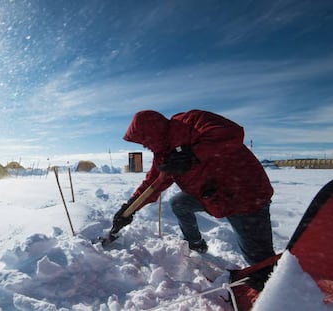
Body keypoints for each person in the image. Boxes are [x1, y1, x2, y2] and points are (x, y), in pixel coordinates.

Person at [112, 110, 276, 277]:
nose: (144, 146)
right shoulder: (163, 153)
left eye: (144, 140)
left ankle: (269, 285)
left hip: (244, 193)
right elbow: (153, 184)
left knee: (259, 259)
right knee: (179, 203)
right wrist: (129, 207)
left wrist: (192, 155)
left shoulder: (191, 122)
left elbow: (231, 134)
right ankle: (196, 244)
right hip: (212, 196)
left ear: (152, 132)